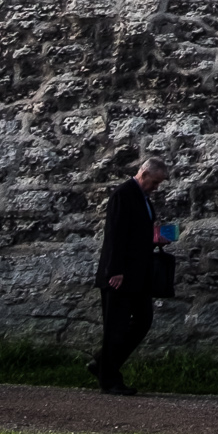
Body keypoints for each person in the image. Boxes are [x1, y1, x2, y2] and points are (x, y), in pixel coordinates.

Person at [92, 155, 171, 395]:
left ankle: (102, 363)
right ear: (144, 174)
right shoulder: (123, 195)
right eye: (154, 182)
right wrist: (114, 270)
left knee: (142, 320)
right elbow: (115, 234)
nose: (156, 188)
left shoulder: (143, 198)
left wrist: (155, 237)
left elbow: (135, 232)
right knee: (115, 326)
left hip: (138, 274)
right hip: (120, 274)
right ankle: (110, 379)